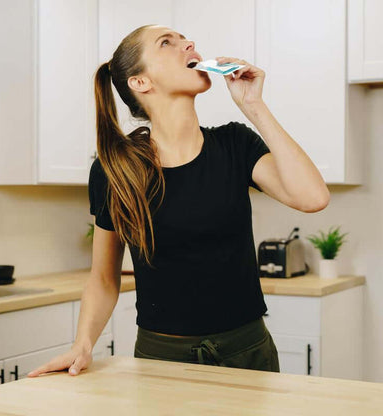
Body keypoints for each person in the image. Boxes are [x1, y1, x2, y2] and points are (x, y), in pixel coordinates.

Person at [27, 24, 330, 377]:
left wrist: (254, 105)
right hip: (161, 360)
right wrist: (82, 345)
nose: (189, 43)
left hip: (248, 354)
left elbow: (313, 197)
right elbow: (104, 279)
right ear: (141, 82)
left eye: (184, 39)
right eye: (166, 43)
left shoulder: (235, 144)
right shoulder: (117, 170)